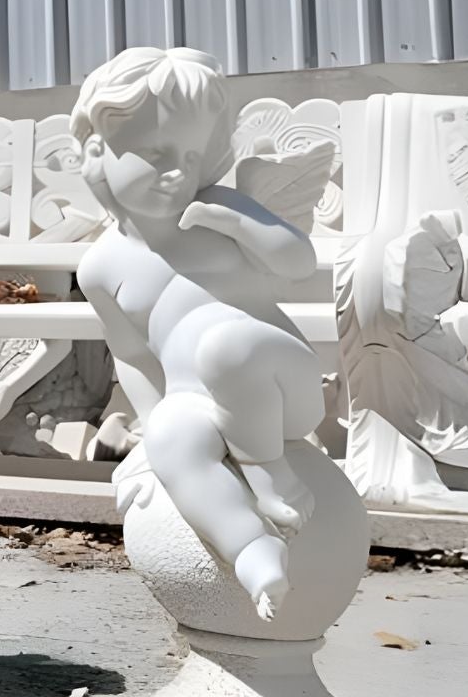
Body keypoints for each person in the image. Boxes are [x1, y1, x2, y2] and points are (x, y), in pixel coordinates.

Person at [72, 47, 323, 620]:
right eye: (157, 153)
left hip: (281, 385)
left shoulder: (219, 208)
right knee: (171, 440)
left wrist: (236, 221)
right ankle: (253, 553)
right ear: (98, 151)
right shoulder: (102, 266)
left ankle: (267, 470)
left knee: (226, 346)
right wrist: (152, 418)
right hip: (199, 401)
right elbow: (133, 354)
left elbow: (298, 261)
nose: (178, 172)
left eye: (191, 155)